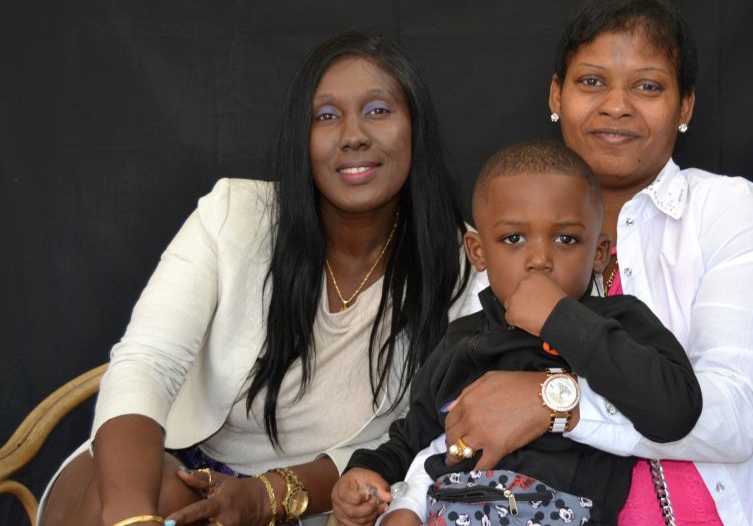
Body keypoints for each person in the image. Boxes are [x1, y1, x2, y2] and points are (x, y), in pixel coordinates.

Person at [431, 0, 753, 524]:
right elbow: (461, 408)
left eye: (647, 86)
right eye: (591, 81)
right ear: (555, 95)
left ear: (685, 105)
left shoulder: (726, 210)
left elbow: (735, 417)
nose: (616, 105)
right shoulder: (507, 228)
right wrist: (408, 502)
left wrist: (554, 402)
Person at [39, 31, 479, 526]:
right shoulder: (235, 215)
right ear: (300, 138)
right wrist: (132, 518)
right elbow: (147, 363)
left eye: (378, 110)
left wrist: (268, 496)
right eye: (325, 116)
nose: (353, 135)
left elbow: (417, 431)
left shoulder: (462, 263)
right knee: (166, 502)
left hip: (309, 500)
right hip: (161, 466)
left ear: (415, 126)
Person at [331, 140, 702, 526]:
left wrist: (561, 319)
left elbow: (676, 410)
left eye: (566, 239)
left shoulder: (618, 323)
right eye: (514, 239)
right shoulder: (461, 341)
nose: (540, 259)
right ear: (478, 252)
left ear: (598, 253)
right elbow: (411, 438)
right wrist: (367, 471)